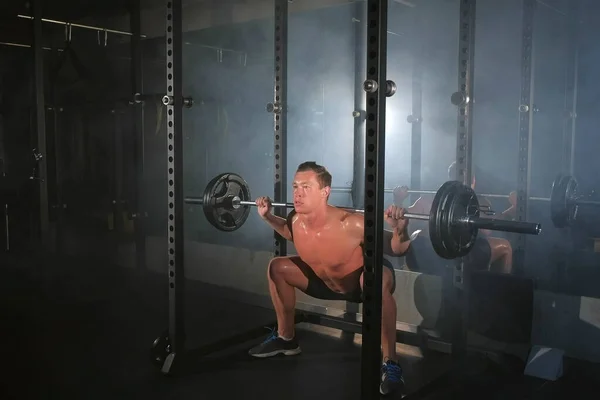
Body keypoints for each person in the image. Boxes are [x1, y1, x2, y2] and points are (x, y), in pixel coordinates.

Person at [248, 161, 410, 396]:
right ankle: (286, 339)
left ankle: (391, 365)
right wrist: (268, 217)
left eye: (306, 186)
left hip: (362, 284)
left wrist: (400, 229)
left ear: (325, 192)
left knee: (375, 278)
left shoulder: (351, 223)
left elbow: (397, 249)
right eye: (295, 186)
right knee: (278, 267)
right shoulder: (295, 220)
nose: (297, 193)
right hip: (324, 284)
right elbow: (287, 231)